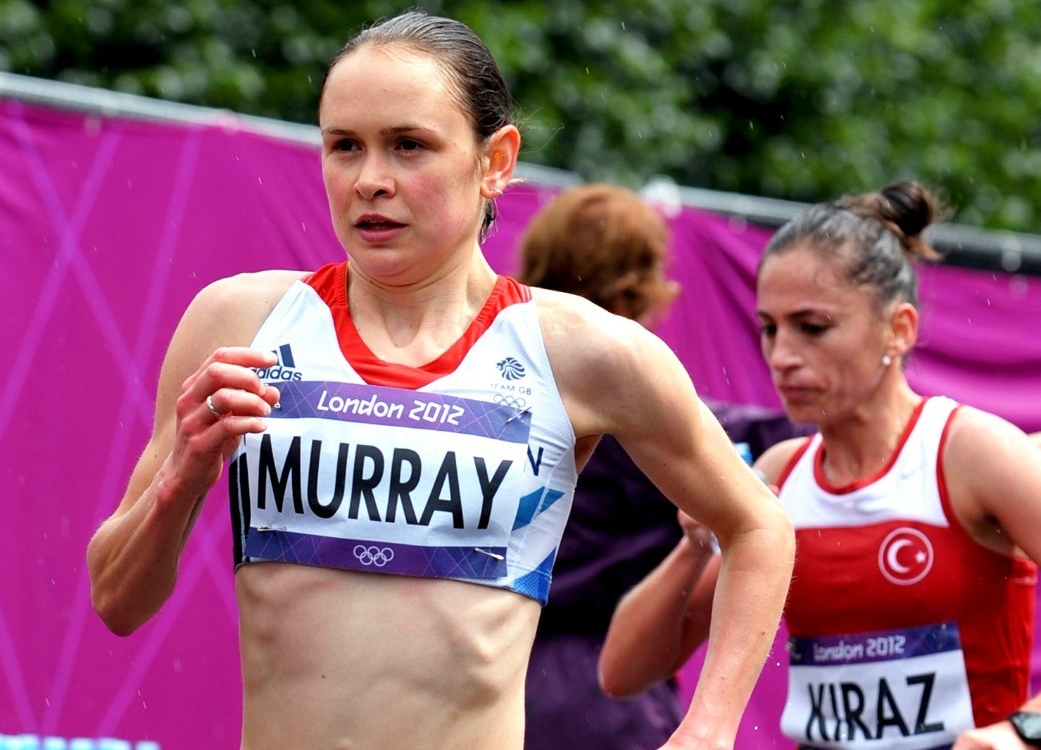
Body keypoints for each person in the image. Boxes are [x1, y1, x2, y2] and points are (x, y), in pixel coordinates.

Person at [86, 11, 794, 749]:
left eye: (409, 146)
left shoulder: (579, 350)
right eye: (344, 147)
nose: (370, 181)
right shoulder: (239, 319)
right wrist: (181, 477)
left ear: (496, 161)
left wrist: (709, 729)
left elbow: (758, 526)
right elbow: (116, 601)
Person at [599, 179, 1041, 750]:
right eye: (769, 328)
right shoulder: (781, 476)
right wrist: (693, 546)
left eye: (813, 328)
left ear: (898, 329)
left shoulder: (971, 452)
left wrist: (1024, 730)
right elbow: (623, 675)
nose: (782, 356)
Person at [513, 183, 810, 750]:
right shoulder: (654, 418)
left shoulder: (498, 397)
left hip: (502, 673)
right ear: (632, 296)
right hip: (609, 699)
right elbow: (822, 437)